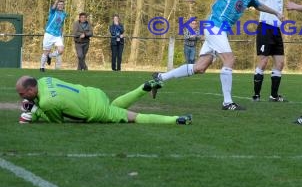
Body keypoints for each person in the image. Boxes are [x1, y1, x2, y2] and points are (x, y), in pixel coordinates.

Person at [148, 0, 284, 110]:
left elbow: (259, 5)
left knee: (200, 67)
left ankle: (160, 77)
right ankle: (227, 102)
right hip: (214, 26)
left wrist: (276, 12)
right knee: (229, 59)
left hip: (220, 31)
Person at [16, 75, 191, 125]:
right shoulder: (46, 80)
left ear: (31, 89)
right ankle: (144, 87)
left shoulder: (46, 102)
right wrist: (35, 104)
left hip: (95, 111)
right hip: (94, 93)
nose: (21, 97)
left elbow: (56, 121)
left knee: (135, 117)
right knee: (116, 106)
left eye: (22, 94)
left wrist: (34, 111)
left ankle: (178, 120)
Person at [252, 0, 298, 102]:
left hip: (276, 30)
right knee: (263, 61)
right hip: (265, 28)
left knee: (280, 62)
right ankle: (256, 95)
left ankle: (273, 96)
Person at [40, 0, 68, 72]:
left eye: (62, 4)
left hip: (57, 35)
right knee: (46, 51)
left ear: (63, 6)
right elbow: (53, 6)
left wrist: (61, 32)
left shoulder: (64, 14)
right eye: (59, 4)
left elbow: (61, 24)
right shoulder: (53, 11)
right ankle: (42, 67)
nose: (60, 6)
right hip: (49, 34)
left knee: (61, 50)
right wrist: (57, 0)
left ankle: (50, 56)